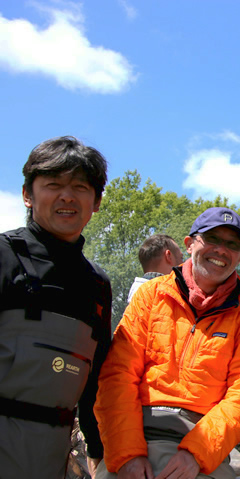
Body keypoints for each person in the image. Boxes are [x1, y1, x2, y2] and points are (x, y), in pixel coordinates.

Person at [94, 206, 240, 479]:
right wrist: (127, 454)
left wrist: (196, 453)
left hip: (203, 445)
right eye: (212, 239)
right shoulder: (150, 296)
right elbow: (117, 375)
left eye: (232, 244)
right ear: (189, 244)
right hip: (135, 430)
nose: (221, 250)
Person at [0, 136, 112, 478]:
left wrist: (97, 450)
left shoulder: (97, 284)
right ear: (27, 195)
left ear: (96, 203)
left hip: (52, 455)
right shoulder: (4, 257)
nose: (67, 196)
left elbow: (95, 381)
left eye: (80, 186)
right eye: (53, 184)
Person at [127, 234, 183, 302]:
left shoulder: (137, 294)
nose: (183, 264)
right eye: (181, 258)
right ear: (168, 256)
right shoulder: (161, 296)